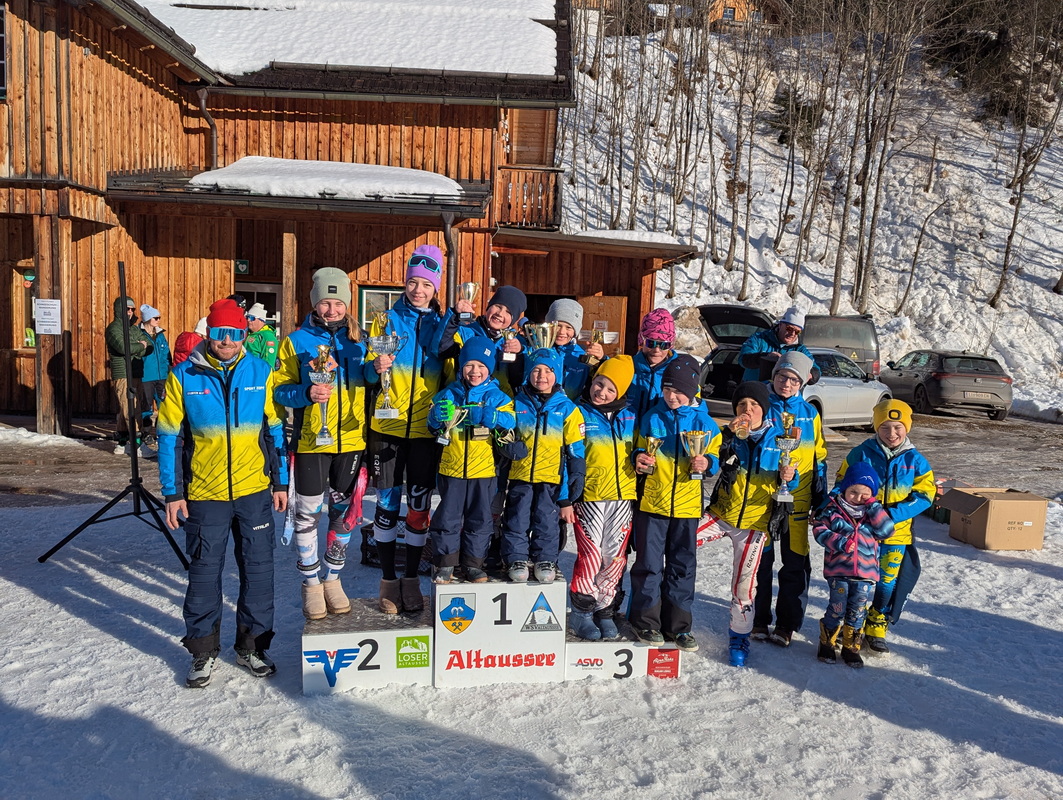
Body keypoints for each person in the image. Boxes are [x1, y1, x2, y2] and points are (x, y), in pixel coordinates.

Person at [158, 298, 288, 688]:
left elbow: (274, 431)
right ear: (209, 333)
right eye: (219, 333)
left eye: (234, 333)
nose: (227, 341)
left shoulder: (261, 371)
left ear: (244, 334)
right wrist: (172, 493)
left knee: (259, 573)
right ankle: (202, 652)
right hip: (205, 493)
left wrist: (280, 482)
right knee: (203, 575)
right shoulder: (183, 375)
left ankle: (252, 647)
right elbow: (169, 437)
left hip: (254, 491)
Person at [274, 268, 369, 621]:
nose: (332, 310)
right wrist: (306, 393)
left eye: (338, 302)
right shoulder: (296, 342)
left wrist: (378, 368)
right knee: (308, 513)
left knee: (344, 514)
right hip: (312, 441)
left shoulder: (360, 342)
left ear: (348, 304)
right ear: (315, 304)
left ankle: (333, 577)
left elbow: (372, 383)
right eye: (326, 303)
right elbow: (279, 389)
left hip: (352, 440)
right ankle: (311, 582)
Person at [366, 245, 449, 614]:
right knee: (386, 504)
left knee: (418, 507)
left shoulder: (443, 325)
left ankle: (412, 578)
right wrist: (374, 369)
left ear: (436, 288)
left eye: (426, 284)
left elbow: (454, 376)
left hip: (425, 432)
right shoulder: (385, 321)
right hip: (387, 426)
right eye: (413, 282)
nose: (418, 290)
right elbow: (367, 372)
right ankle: (388, 579)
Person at [698, 381, 797, 666]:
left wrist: (789, 477)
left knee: (744, 585)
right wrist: (728, 435)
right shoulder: (729, 435)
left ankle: (739, 636)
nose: (747, 410)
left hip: (754, 524)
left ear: (764, 410)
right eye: (742, 405)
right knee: (678, 544)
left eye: (754, 405)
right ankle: (661, 614)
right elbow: (712, 461)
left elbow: (793, 480)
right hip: (721, 514)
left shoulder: (781, 439)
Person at [629, 354, 719, 652]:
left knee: (682, 565)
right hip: (652, 504)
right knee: (649, 564)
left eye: (678, 391)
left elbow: (716, 457)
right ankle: (646, 622)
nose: (671, 396)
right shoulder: (652, 417)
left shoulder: (705, 423)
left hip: (687, 506)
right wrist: (639, 458)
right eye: (667, 389)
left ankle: (678, 627)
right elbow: (638, 449)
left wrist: (707, 463)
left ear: (692, 391)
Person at [836, 399, 935, 655]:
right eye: (885, 427)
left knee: (887, 583)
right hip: (863, 532)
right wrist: (841, 509)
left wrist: (891, 514)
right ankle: (851, 624)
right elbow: (840, 484)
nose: (892, 433)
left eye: (898, 427)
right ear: (876, 427)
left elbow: (925, 495)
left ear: (907, 428)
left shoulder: (915, 460)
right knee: (857, 581)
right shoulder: (861, 453)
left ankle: (877, 624)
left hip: (895, 533)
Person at [753, 350, 828, 647]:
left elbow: (819, 456)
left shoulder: (810, 413)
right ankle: (758, 619)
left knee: (795, 562)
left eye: (794, 379)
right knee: (760, 561)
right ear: (774, 376)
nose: (786, 383)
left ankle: (787, 624)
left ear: (803, 383)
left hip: (798, 498)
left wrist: (820, 495)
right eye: (782, 376)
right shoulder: (762, 405)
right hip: (763, 497)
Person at [426, 337, 516, 583]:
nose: (475, 371)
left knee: (480, 519)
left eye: (481, 366)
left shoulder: (497, 396)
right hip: (451, 468)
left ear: (490, 368)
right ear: (461, 366)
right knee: (448, 517)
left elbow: (511, 421)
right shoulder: (449, 393)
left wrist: (491, 416)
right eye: (469, 365)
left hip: (484, 471)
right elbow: (431, 425)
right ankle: (446, 564)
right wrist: (435, 417)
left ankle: (473, 564)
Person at [501, 347, 586, 584]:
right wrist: (507, 446)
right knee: (517, 519)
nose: (541, 376)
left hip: (551, 479)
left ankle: (545, 559)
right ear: (528, 373)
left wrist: (577, 473)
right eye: (536, 370)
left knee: (546, 521)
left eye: (548, 371)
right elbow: (504, 432)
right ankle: (516, 558)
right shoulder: (517, 403)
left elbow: (575, 449)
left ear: (557, 374)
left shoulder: (567, 409)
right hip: (521, 475)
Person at [569, 355, 637, 640]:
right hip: (591, 496)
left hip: (623, 497)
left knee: (615, 556)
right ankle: (582, 612)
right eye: (599, 384)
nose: (602, 392)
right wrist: (568, 495)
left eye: (611, 389)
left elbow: (639, 449)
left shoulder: (630, 416)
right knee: (591, 554)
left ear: (620, 392)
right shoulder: (579, 412)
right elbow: (570, 456)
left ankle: (604, 609)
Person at [812, 463, 894, 668]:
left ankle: (851, 647)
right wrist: (839, 542)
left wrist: (874, 506)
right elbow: (819, 531)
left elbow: (887, 531)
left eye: (865, 494)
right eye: (853, 492)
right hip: (839, 572)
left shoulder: (873, 514)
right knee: (837, 608)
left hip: (865, 574)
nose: (858, 498)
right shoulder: (833, 510)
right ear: (845, 489)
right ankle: (827, 643)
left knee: (858, 611)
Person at [441, 284, 528, 395]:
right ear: (489, 306)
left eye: (508, 312)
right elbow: (441, 348)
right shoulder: (465, 333)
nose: (500, 313)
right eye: (498, 306)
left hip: (498, 400)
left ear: (513, 319)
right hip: (461, 397)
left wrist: (519, 353)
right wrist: (454, 316)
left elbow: (519, 380)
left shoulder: (518, 343)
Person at [105, 296, 154, 457]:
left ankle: (121, 443)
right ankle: (138, 445)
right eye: (127, 309)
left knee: (127, 408)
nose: (130, 312)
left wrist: (137, 347)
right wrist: (140, 346)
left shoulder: (133, 328)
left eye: (133, 309)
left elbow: (150, 346)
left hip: (136, 372)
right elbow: (123, 348)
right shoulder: (114, 329)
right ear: (119, 309)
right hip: (123, 373)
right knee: (131, 409)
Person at [736, 306, 816, 382]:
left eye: (797, 332)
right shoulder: (759, 339)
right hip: (754, 388)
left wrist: (811, 375)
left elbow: (815, 369)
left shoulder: (800, 349)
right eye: (789, 328)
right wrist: (766, 357)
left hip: (784, 389)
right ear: (780, 325)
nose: (792, 334)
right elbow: (743, 359)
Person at [543, 298, 602, 400]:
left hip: (573, 407)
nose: (562, 332)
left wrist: (601, 360)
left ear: (575, 330)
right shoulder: (539, 350)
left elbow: (600, 380)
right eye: (558, 325)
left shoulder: (581, 355)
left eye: (568, 327)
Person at [627, 308, 679, 420]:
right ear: (642, 341)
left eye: (663, 345)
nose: (656, 350)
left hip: (661, 429)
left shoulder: (679, 372)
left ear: (670, 345)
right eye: (651, 343)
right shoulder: (628, 367)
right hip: (629, 428)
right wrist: (601, 360)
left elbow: (695, 407)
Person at [138, 304, 171, 449]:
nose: (158, 320)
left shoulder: (160, 334)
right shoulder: (139, 334)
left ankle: (161, 432)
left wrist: (169, 369)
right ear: (148, 319)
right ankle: (146, 433)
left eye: (159, 318)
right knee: (146, 406)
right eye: (155, 318)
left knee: (164, 404)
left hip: (162, 375)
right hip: (146, 376)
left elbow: (167, 353)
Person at [245, 303, 279, 368]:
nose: (248, 320)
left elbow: (268, 364)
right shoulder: (249, 334)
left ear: (261, 320)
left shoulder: (267, 337)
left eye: (252, 318)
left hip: (257, 372)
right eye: (247, 317)